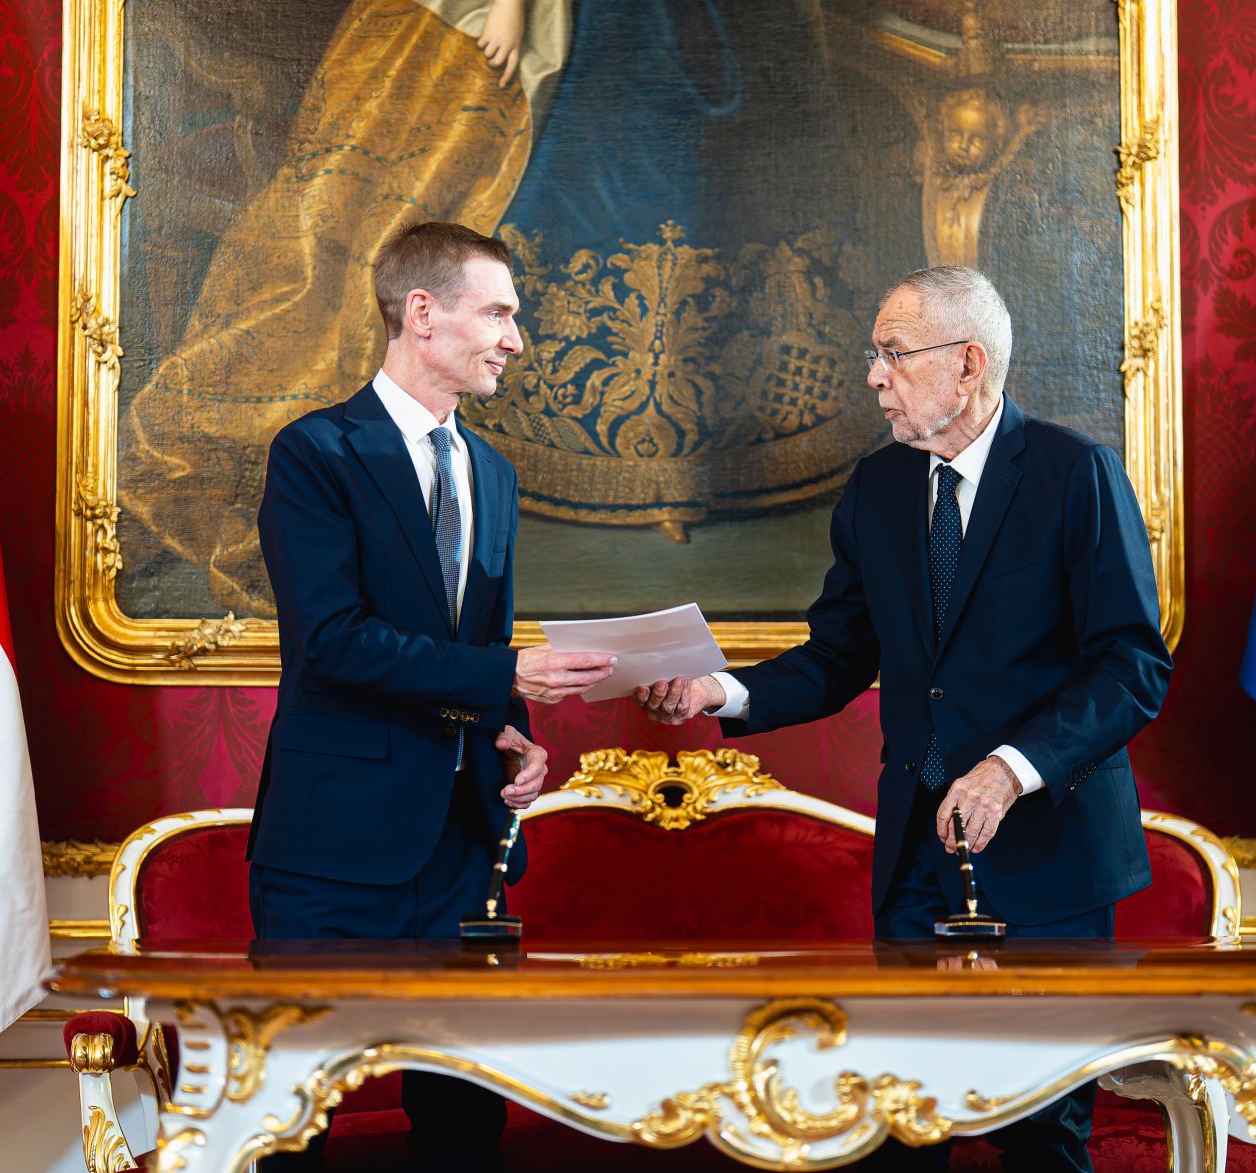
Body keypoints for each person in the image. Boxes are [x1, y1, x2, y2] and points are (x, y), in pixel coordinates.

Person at [636, 265, 1172, 1172]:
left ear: (969, 364)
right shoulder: (878, 487)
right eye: (874, 355)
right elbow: (837, 654)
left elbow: (1132, 666)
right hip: (919, 865)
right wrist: (717, 691)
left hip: (1053, 867)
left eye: (892, 354)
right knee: (896, 1128)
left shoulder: (1076, 473)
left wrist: (1009, 767)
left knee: (1043, 1137)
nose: (874, 376)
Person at [250, 220, 615, 1171]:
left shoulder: (492, 473)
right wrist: (504, 676)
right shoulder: (316, 453)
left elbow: (477, 644)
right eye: (497, 312)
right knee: (293, 1121)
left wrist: (514, 733)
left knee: (463, 1127)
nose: (515, 338)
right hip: (334, 854)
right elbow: (331, 642)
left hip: (463, 850)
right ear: (422, 313)